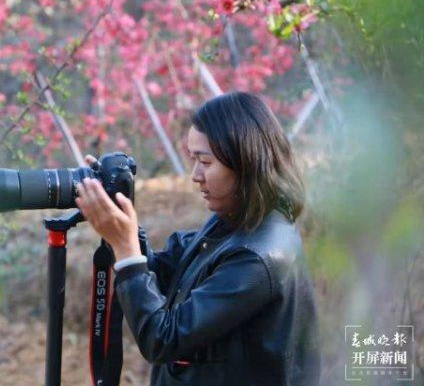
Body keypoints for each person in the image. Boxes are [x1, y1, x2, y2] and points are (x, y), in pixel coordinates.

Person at [75, 92, 321, 385]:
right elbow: (170, 275)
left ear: (245, 161)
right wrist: (119, 211)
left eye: (205, 161)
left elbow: (163, 339)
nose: (195, 175)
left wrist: (125, 248)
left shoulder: (259, 256)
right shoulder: (235, 220)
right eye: (193, 159)